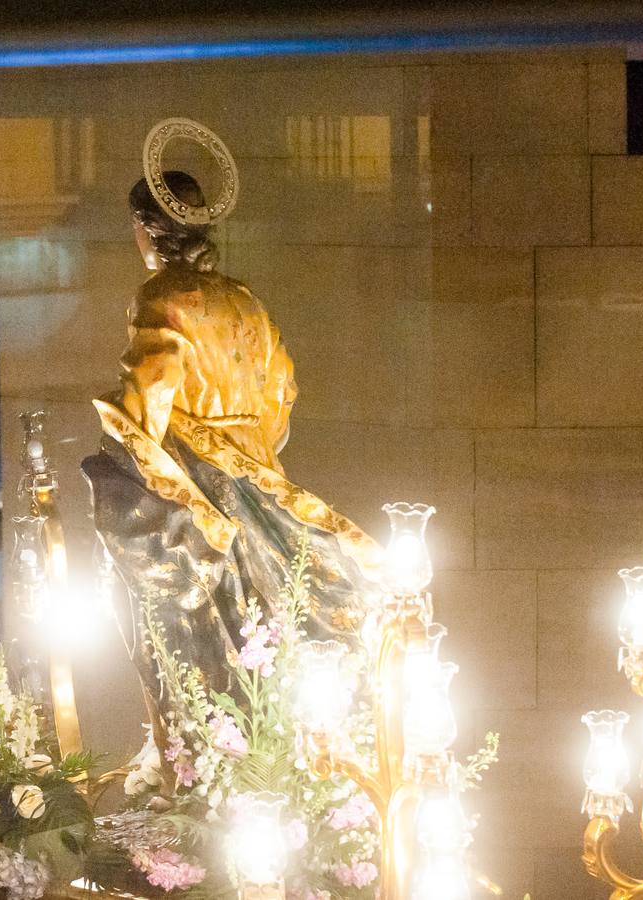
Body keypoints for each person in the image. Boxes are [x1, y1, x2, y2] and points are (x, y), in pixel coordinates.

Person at [82, 130, 385, 707]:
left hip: (202, 478)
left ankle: (210, 750)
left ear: (149, 230)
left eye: (136, 228)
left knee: (207, 621)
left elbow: (147, 398)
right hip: (259, 470)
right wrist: (253, 451)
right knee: (272, 605)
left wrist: (123, 452)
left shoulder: (159, 297)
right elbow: (282, 389)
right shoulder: (243, 297)